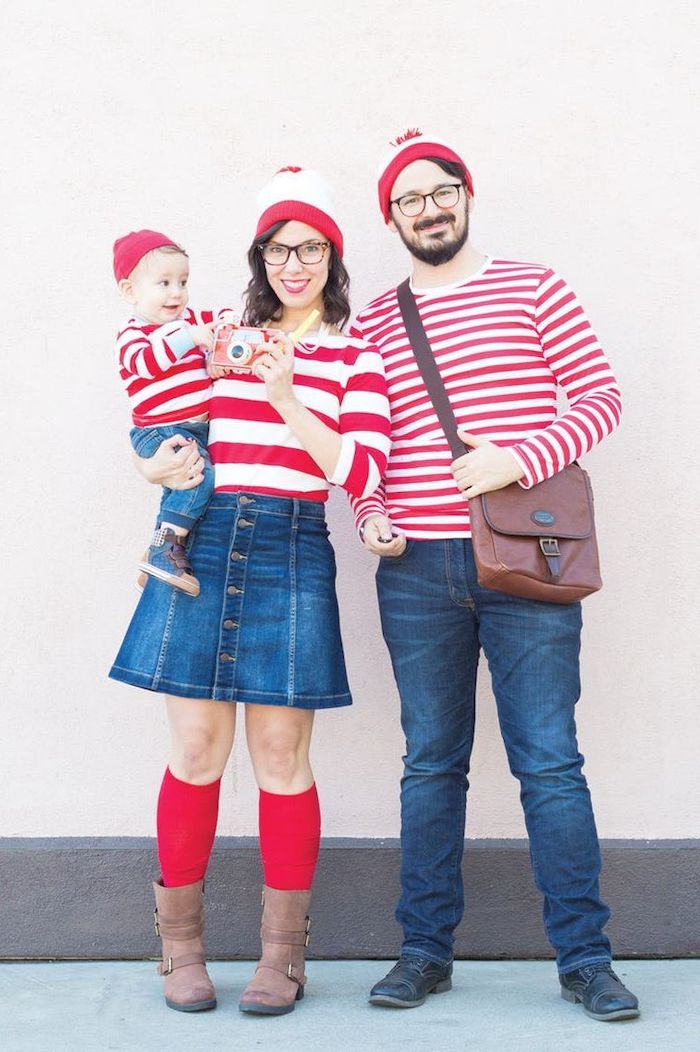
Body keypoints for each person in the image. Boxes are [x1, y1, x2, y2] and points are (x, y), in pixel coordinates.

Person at [350, 129, 639, 1023]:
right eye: (409, 200)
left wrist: (517, 456)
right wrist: (369, 512)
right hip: (418, 571)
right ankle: (423, 951)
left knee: (550, 763)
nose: (427, 209)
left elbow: (601, 400)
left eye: (440, 192)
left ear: (466, 195)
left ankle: (585, 958)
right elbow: (369, 443)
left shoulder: (534, 286)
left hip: (526, 558)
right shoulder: (372, 320)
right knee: (430, 764)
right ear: (391, 217)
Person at [109, 168, 391, 1016]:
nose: (292, 264)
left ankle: (281, 957)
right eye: (278, 249)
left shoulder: (357, 352)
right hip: (205, 534)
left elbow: (362, 469)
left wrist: (285, 396)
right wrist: (146, 462)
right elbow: (163, 412)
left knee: (280, 759)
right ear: (260, 258)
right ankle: (181, 950)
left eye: (308, 248)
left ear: (331, 257)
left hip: (293, 546)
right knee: (196, 751)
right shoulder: (220, 328)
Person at [114, 229, 234, 596]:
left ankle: (156, 556)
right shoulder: (134, 334)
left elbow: (227, 314)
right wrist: (193, 337)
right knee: (200, 479)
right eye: (163, 282)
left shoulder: (192, 317)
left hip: (194, 430)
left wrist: (223, 336)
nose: (176, 292)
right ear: (130, 291)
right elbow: (148, 363)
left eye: (182, 281)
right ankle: (164, 550)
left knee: (178, 492)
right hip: (159, 430)